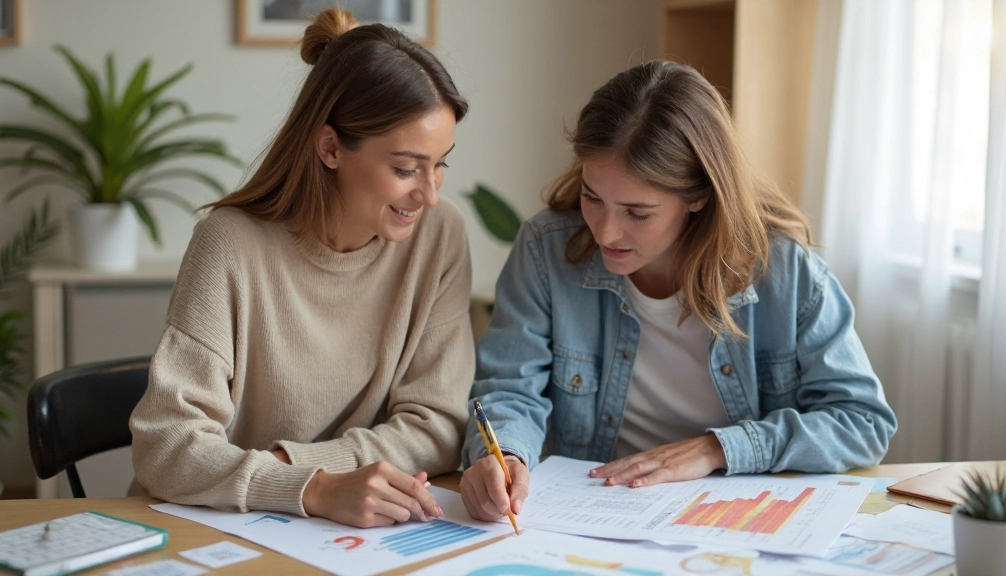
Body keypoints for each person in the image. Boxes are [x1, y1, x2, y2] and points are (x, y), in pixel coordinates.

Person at [460, 60, 897, 523]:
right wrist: (506, 455)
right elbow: (510, 390)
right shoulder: (546, 249)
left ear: (698, 195)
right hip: (594, 514)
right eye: (593, 197)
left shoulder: (784, 271)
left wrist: (716, 449)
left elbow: (863, 422)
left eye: (637, 212)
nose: (606, 232)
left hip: (730, 519)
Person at [130, 8, 474, 529]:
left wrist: (302, 469)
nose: (428, 193)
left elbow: (439, 426)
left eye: (440, 163)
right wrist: (310, 487)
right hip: (214, 529)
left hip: (345, 536)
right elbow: (167, 447)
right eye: (406, 169)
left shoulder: (439, 235)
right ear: (330, 147)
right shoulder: (229, 243)